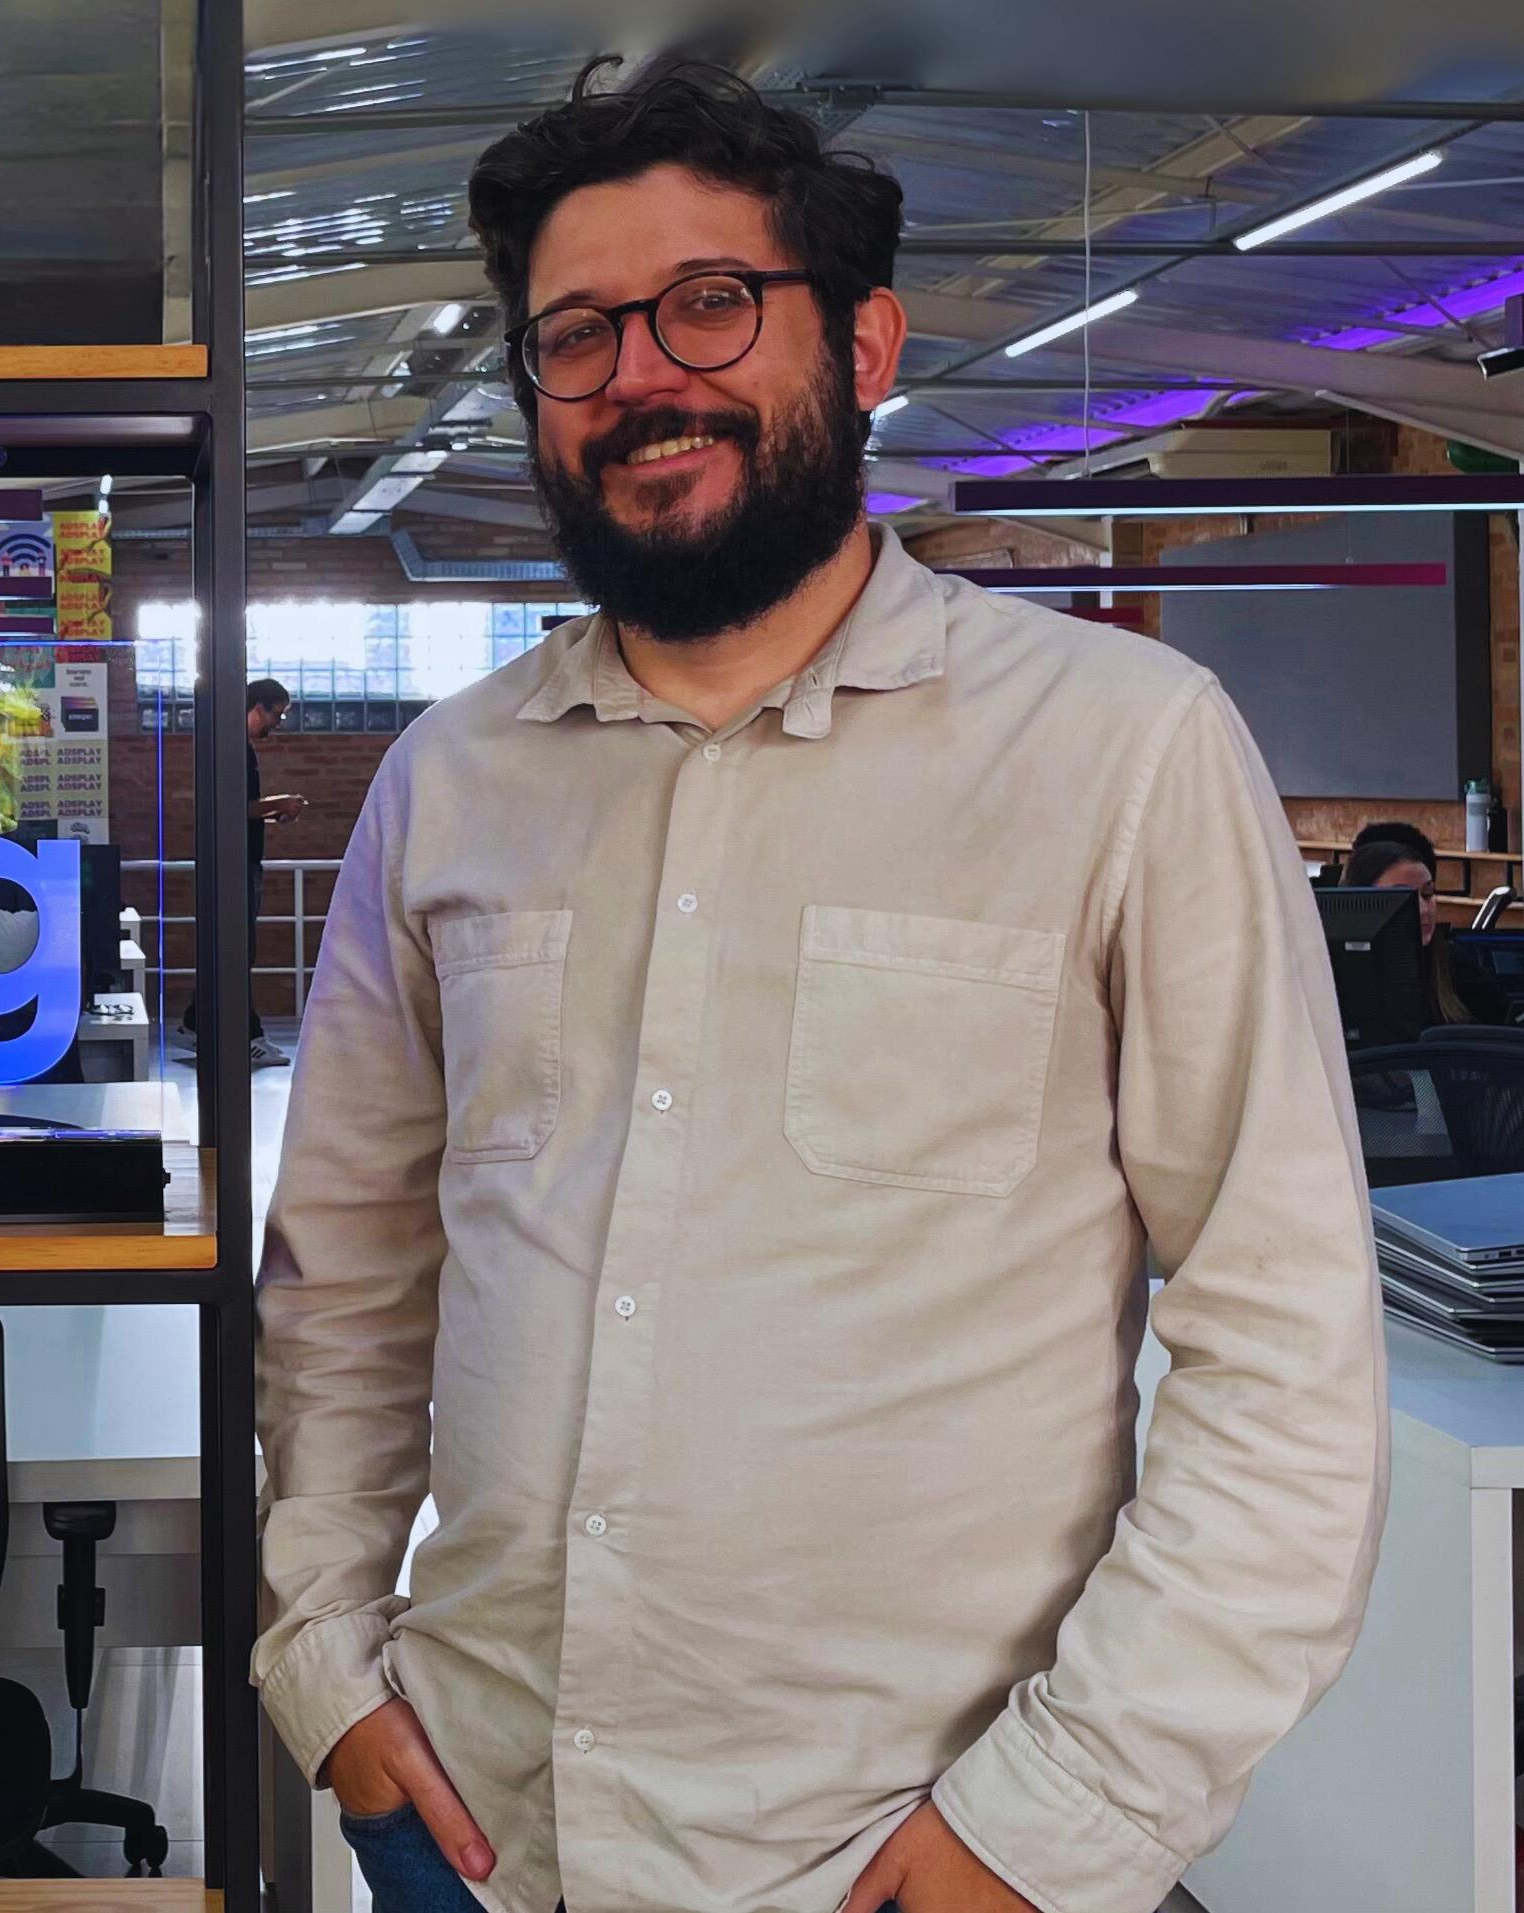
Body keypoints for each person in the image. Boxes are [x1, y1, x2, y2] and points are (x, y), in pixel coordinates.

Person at [254, 58, 1383, 1913]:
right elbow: (351, 1276)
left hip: (903, 1848)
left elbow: (1287, 1344)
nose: (641, 376)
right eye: (577, 333)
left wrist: (1064, 1816)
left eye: (711, 303)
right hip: (481, 1823)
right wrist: (325, 1655)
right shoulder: (449, 779)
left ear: (862, 345)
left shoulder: (1119, 749)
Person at [181, 678, 306, 1068]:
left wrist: (270, 812)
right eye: (277, 715)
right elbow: (235, 805)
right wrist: (280, 802)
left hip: (236, 861)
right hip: (237, 866)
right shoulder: (235, 750)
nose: (277, 724)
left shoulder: (227, 747)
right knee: (238, 950)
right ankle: (247, 1035)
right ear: (257, 708)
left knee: (231, 950)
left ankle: (196, 1022)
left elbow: (234, 811)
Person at [1342, 836, 1512, 1026]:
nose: (1423, 910)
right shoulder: (1335, 971)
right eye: (1403, 897)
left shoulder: (1451, 964)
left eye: (1427, 894)